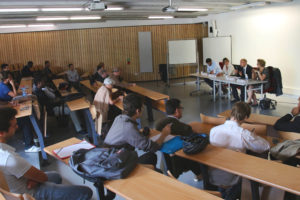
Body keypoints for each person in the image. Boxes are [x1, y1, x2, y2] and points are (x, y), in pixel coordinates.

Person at [0, 107, 93, 200]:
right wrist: (36, 180)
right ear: (1, 133)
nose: (17, 127)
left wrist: (34, 179)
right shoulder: (10, 159)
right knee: (86, 192)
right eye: (14, 126)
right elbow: (42, 177)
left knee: (56, 177)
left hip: (17, 186)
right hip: (31, 193)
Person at [209, 102, 270, 199]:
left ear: (232, 113)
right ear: (245, 117)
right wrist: (254, 136)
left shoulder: (214, 130)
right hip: (233, 176)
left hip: (214, 172)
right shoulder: (244, 134)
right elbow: (265, 146)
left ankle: (223, 193)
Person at [104, 93, 171, 168]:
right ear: (138, 111)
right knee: (151, 157)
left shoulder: (119, 118)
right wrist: (164, 134)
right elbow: (153, 147)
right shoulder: (129, 127)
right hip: (117, 165)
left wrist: (140, 136)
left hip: (111, 157)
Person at [155, 98, 202, 179]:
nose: (182, 110)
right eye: (181, 108)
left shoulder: (159, 123)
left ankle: (198, 173)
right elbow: (192, 132)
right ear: (177, 111)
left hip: (166, 160)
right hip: (177, 159)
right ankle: (200, 174)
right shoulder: (177, 125)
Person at [0, 72, 39, 153]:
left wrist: (9, 103)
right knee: (25, 120)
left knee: (25, 118)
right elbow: (14, 96)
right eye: (10, 78)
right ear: (8, 79)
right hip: (3, 119)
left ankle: (26, 139)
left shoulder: (2, 85)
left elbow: (2, 102)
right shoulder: (3, 87)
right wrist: (13, 85)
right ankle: (28, 146)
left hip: (5, 112)